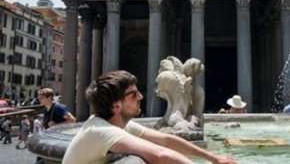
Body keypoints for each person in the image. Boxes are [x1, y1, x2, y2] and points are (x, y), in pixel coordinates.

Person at [63, 70, 238, 164]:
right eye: (133, 94)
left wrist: (214, 158)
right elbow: (160, 154)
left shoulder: (115, 124)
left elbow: (167, 141)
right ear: (116, 106)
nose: (140, 96)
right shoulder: (101, 131)